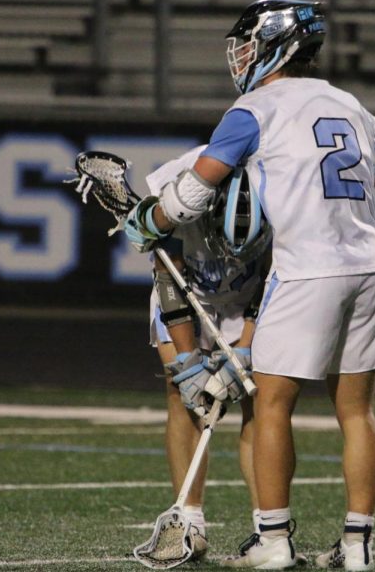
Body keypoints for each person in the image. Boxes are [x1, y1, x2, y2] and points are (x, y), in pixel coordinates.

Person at [125, 0, 375, 571]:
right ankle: (357, 546)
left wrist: (149, 219)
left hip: (306, 267)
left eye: (246, 43)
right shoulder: (352, 106)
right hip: (370, 265)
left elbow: (194, 192)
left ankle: (273, 540)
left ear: (276, 45)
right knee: (357, 412)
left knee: (270, 405)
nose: (240, 56)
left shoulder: (255, 108)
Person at [143, 145, 272, 561]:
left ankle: (267, 528)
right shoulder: (183, 190)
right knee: (186, 400)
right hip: (187, 292)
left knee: (260, 400)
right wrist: (187, 363)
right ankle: (191, 520)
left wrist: (247, 347)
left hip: (254, 294)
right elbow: (167, 274)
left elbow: (278, 275)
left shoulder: (282, 189)